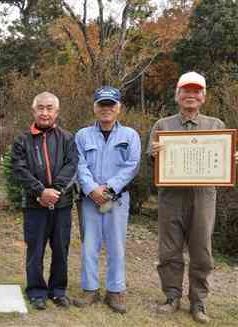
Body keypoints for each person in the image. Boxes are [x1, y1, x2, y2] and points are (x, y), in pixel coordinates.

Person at [147, 72, 228, 324]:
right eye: (186, 90)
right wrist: (155, 153)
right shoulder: (163, 125)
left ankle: (198, 301)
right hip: (171, 198)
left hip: (203, 197)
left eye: (196, 91)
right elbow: (151, 158)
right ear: (177, 95)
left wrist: (231, 162)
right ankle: (172, 296)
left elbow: (224, 161)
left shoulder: (216, 125)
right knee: (169, 250)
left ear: (203, 96)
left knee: (202, 251)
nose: (190, 95)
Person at [72, 86, 141, 314]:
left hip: (117, 200)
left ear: (119, 107)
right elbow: (79, 165)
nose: (106, 109)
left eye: (111, 104)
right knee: (89, 245)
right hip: (89, 200)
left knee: (117, 246)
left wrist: (109, 189)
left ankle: (116, 290)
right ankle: (90, 289)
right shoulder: (82, 135)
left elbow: (132, 166)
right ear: (94, 107)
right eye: (102, 104)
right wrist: (92, 190)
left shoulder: (130, 135)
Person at [11, 92, 78, 310]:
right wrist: (40, 192)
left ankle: (58, 291)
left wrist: (55, 191)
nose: (45, 112)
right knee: (35, 250)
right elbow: (19, 170)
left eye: (50, 108)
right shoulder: (22, 139)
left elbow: (72, 166)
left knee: (61, 249)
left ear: (57, 112)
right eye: (41, 107)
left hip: (62, 205)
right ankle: (36, 291)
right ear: (33, 111)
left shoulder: (67, 138)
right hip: (34, 205)